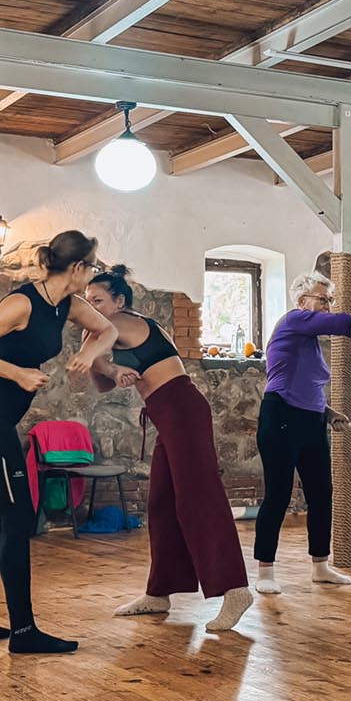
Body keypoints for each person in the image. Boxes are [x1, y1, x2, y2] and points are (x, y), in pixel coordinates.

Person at [0, 230, 117, 654]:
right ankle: (23, 632)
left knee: (5, 516)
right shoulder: (22, 303)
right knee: (19, 515)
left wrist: (89, 355)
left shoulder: (68, 305)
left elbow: (107, 330)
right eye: (93, 266)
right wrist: (18, 373)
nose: (94, 274)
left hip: (1, 416)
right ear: (77, 268)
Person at [85, 265, 253, 632]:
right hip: (167, 415)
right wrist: (108, 368)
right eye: (86, 300)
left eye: (97, 300)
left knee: (199, 499)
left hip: (181, 409)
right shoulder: (104, 332)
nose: (90, 306)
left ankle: (235, 589)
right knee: (160, 502)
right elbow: (102, 385)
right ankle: (159, 593)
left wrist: (99, 358)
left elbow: (97, 360)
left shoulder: (124, 323)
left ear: (119, 301)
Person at [252, 270, 351, 593]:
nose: (328, 306)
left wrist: (328, 412)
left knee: (321, 495)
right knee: (278, 495)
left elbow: (307, 381)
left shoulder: (308, 344)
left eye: (330, 300)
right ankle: (265, 572)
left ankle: (321, 565)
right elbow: (340, 323)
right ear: (303, 301)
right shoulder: (294, 320)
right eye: (323, 299)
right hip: (280, 416)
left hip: (311, 420)